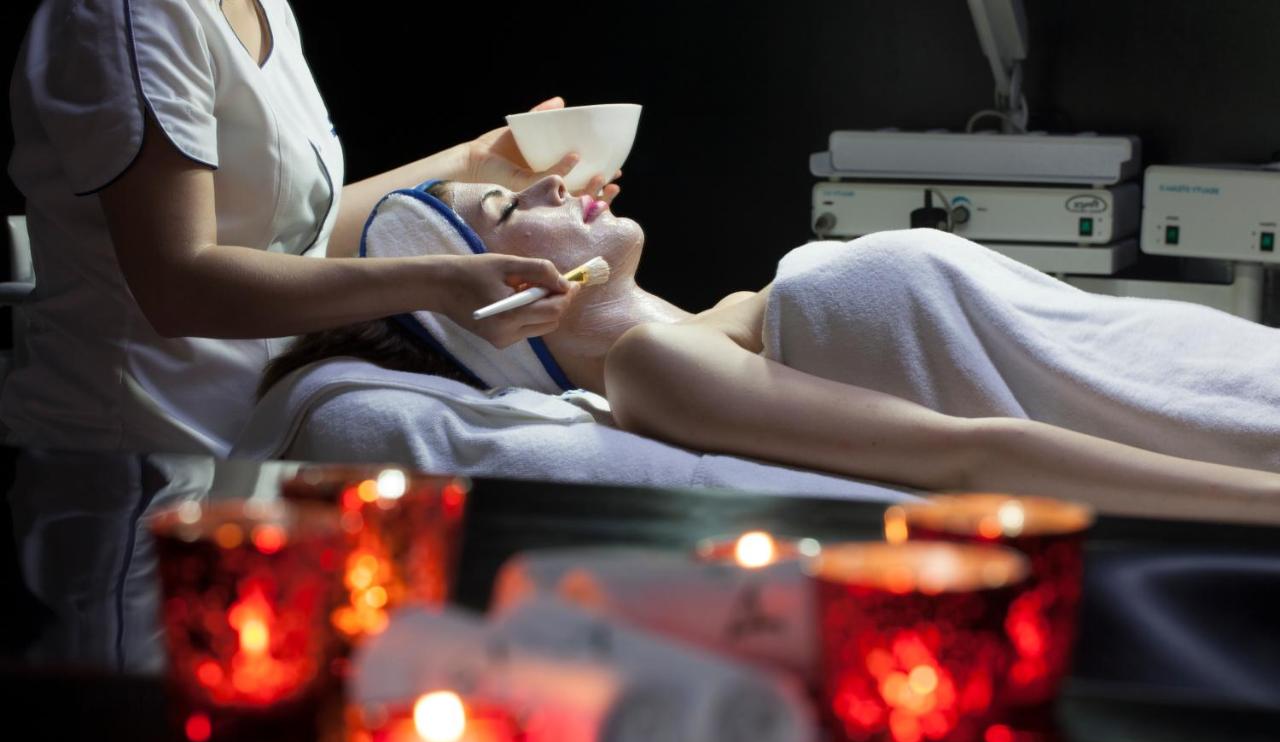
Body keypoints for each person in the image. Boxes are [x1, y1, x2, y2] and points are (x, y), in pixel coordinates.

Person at [259, 175, 1280, 524]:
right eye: (505, 204)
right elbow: (971, 458)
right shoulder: (660, 371)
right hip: (1228, 432)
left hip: (1207, 368)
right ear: (494, 304)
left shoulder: (723, 323)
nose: (549, 182)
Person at [3, 0, 618, 455]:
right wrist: (440, 284)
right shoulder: (134, 14)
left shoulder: (265, 8)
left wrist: (474, 161)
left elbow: (299, 238)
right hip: (139, 451)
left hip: (261, 437)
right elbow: (176, 286)